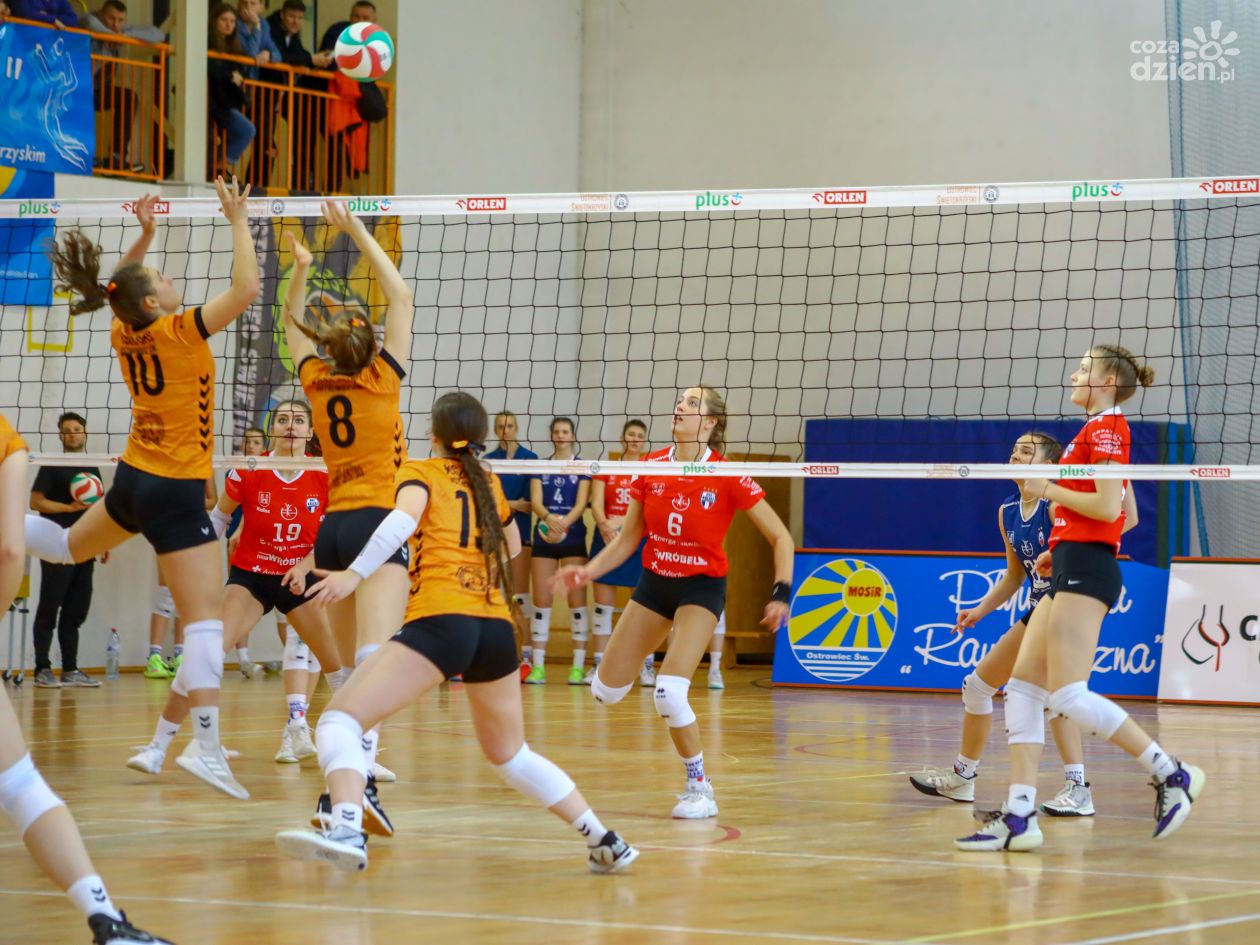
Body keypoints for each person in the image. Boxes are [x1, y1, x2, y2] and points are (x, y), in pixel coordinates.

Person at [275, 391, 639, 875]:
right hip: (495, 627)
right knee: (511, 755)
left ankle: (345, 828)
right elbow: (512, 545)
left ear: (434, 434)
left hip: (442, 619)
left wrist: (352, 575)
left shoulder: (421, 472)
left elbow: (398, 525)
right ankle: (604, 840)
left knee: (338, 722)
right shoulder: (487, 480)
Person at [26, 182, 259, 803]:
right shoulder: (179, 331)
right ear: (154, 300)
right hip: (173, 490)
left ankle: (7, 527)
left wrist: (147, 235)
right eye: (161, 275)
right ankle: (205, 747)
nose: (170, 279)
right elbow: (246, 289)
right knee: (204, 624)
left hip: (132, 481)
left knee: (66, 547)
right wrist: (238, 218)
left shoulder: (126, 331)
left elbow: (119, 290)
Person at [956, 346, 1205, 853]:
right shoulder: (1091, 431)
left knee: (1067, 695)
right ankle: (1020, 815)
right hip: (1071, 562)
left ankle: (1171, 773)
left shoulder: (1108, 427)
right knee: (1022, 690)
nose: (1075, 374)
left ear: (1108, 382)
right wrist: (1058, 544)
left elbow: (1111, 507)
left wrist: (1048, 489)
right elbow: (1102, 512)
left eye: (1086, 368)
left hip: (1089, 569)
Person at [554, 386, 793, 818]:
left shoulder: (727, 474)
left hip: (700, 589)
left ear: (711, 423)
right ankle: (632, 668)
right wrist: (587, 572)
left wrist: (781, 593)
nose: (680, 406)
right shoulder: (650, 466)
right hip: (654, 584)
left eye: (692, 403)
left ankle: (700, 787)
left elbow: (781, 537)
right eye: (681, 400)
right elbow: (628, 538)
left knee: (668, 692)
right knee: (604, 692)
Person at [2, 413, 176, 945]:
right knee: (21, 785)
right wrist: (130, 506)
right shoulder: (6, 440)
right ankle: (106, 919)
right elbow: (27, 547)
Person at [912, 432, 1136, 815]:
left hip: (1064, 602)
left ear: (1049, 466)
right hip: (1036, 607)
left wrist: (1114, 492)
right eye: (1014, 450)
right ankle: (964, 777)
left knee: (1056, 695)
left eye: (1026, 451)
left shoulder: (1056, 504)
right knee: (977, 687)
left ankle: (1077, 788)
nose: (1015, 456)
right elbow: (1015, 576)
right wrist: (980, 610)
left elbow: (1118, 520)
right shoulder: (1008, 511)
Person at [127, 400, 349, 780]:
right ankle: (157, 747)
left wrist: (303, 566)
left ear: (310, 431)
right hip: (252, 576)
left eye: (298, 420)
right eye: (283, 419)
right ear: (272, 428)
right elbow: (218, 517)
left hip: (300, 578)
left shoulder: (324, 475)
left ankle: (357, 750)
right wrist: (193, 561)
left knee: (338, 668)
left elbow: (330, 537)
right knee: (205, 656)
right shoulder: (250, 469)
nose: (290, 426)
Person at [281, 205, 412, 827]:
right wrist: (358, 231)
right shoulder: (383, 379)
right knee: (375, 657)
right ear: (370, 344)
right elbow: (401, 295)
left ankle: (349, 772)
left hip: (332, 529)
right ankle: (358, 782)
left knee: (354, 664)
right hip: (377, 524)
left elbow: (291, 322)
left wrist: (302, 268)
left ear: (331, 347)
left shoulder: (315, 380)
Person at [30, 412, 106, 689]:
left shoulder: (93, 466)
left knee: (76, 610)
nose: (73, 433)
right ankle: (42, 668)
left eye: (77, 429)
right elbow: (36, 501)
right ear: (61, 436)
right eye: (67, 430)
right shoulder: (52, 464)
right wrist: (68, 508)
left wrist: (104, 541)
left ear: (84, 433)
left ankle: (70, 669)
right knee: (49, 607)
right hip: (55, 544)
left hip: (84, 546)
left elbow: (99, 509)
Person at [526, 417, 590, 685]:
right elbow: (536, 502)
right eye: (557, 431)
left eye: (565, 431)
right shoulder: (541, 466)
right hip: (544, 538)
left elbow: (581, 503)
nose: (561, 435)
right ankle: (538, 667)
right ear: (552, 436)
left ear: (572, 436)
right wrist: (549, 518)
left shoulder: (582, 466)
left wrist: (564, 523)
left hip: (573, 537)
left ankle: (578, 667)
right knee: (541, 602)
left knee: (577, 603)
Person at [586, 419, 649, 685]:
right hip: (606, 538)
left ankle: (645, 666)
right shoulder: (608, 466)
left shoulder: (649, 468)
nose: (634, 439)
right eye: (630, 434)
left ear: (644, 441)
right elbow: (596, 503)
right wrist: (604, 525)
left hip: (637, 540)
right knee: (603, 608)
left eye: (639, 436)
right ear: (623, 438)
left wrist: (620, 523)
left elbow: (648, 506)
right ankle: (599, 666)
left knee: (645, 608)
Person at [81, 1, 165, 174]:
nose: (115, 24)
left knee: (128, 97)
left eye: (120, 20)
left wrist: (125, 35)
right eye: (111, 18)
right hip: (75, 86)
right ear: (101, 14)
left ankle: (117, 157)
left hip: (96, 89)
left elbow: (158, 34)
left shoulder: (120, 30)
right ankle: (82, 154)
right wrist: (114, 36)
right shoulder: (90, 21)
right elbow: (88, 21)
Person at [484, 410, 538, 679]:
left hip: (521, 535)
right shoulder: (488, 460)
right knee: (490, 595)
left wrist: (506, 504)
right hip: (492, 536)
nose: (505, 430)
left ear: (516, 428)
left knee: (519, 597)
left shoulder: (530, 459)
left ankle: (525, 656)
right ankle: (487, 656)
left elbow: (530, 504)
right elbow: (486, 501)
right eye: (500, 426)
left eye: (509, 426)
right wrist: (512, 504)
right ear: (495, 430)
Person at [265, 0, 333, 192]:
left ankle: (302, 184)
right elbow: (280, 56)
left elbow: (299, 54)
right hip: (265, 92)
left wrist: (316, 60)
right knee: (265, 147)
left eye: (300, 18)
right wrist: (311, 59)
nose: (296, 22)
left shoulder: (293, 36)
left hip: (282, 93)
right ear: (282, 15)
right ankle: (254, 190)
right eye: (292, 17)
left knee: (303, 129)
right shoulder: (270, 29)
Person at [207, 3, 256, 180]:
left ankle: (217, 167)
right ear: (215, 21)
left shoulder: (234, 45)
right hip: (209, 100)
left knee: (247, 130)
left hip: (225, 102)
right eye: (224, 20)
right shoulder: (207, 41)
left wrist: (256, 28)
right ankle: (214, 168)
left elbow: (242, 69)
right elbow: (210, 67)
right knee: (245, 130)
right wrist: (230, 75)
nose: (229, 25)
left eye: (233, 21)